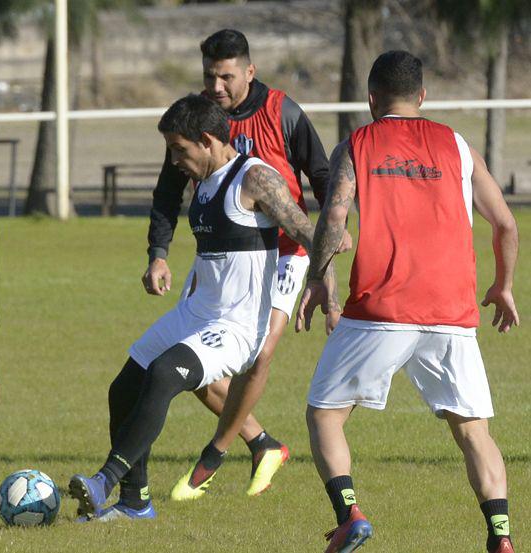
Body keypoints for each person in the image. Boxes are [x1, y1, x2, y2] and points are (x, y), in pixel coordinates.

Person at [69, 94, 334, 521]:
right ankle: (135, 503)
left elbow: (308, 232)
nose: (174, 159)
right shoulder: (205, 180)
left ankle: (104, 480)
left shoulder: (256, 179)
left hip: (237, 325)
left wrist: (326, 286)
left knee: (163, 373)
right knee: (123, 388)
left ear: (208, 141)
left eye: (179, 149)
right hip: (196, 312)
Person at [297, 51, 519, 553]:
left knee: (326, 414)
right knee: (472, 432)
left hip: (381, 310)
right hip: (452, 313)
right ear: (422, 97)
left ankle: (350, 512)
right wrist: (503, 287)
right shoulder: (458, 147)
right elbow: (506, 224)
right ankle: (501, 538)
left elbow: (334, 220)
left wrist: (318, 281)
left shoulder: (357, 144)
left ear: (371, 98)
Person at [145, 28, 345, 501]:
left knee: (256, 353)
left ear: (249, 72)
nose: (216, 86)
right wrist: (158, 252)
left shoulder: (283, 111)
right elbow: (168, 191)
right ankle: (261, 443)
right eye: (210, 76)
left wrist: (332, 233)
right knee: (189, 354)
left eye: (226, 76)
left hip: (285, 254)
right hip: (220, 253)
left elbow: (321, 174)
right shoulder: (194, 120)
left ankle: (212, 456)